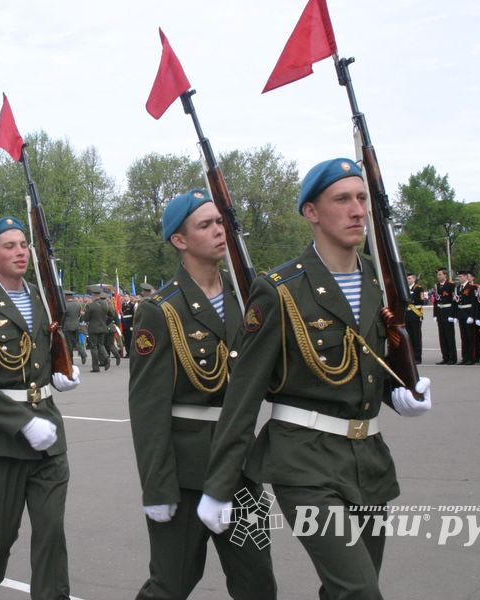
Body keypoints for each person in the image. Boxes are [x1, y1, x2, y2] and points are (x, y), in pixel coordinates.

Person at [198, 159, 432, 600]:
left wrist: (398, 392)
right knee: (360, 592)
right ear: (311, 212)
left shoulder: (376, 281)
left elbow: (368, 361)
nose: (357, 209)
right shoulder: (280, 289)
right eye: (342, 199)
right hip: (304, 460)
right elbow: (243, 395)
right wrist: (220, 484)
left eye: (361, 198)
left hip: (369, 460)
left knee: (345, 589)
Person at [129, 190, 276, 599]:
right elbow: (148, 410)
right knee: (171, 586)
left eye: (220, 222)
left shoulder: (248, 297)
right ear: (180, 240)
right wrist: (157, 488)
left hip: (241, 470)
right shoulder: (161, 311)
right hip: (186, 475)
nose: (218, 230)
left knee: (258, 584)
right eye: (205, 224)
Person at [0, 216, 81, 600]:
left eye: (23, 244)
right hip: (1, 440)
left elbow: (50, 349)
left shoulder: (43, 298)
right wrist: (21, 423)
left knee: (50, 532)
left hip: (48, 432)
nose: (20, 252)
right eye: (9, 246)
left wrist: (64, 372)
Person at [82, 290, 116, 372]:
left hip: (93, 329)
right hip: (103, 328)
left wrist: (84, 314)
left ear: (93, 295)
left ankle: (95, 367)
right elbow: (112, 315)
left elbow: (86, 319)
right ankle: (107, 358)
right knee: (101, 345)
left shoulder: (90, 306)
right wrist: (105, 323)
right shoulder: (105, 304)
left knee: (93, 347)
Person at [454, 269, 480, 365]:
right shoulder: (458, 288)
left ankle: (472, 357)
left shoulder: (472, 287)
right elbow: (457, 303)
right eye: (459, 277)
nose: (459, 278)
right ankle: (465, 357)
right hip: (461, 314)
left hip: (469, 313)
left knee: (470, 337)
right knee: (464, 337)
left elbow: (474, 303)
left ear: (466, 277)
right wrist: (456, 316)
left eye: (461, 277)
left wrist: (472, 316)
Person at [432, 267, 458, 365]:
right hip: (440, 313)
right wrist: (435, 314)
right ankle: (445, 357)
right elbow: (435, 301)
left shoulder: (451, 285)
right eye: (438, 275)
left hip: (448, 312)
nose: (438, 276)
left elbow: (454, 301)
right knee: (442, 337)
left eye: (440, 274)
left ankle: (452, 357)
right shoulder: (437, 286)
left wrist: (453, 315)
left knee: (449, 336)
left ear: (445, 275)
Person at [405, 273, 425, 364]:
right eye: (407, 278)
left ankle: (418, 357)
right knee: (409, 337)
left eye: (409, 278)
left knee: (416, 337)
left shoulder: (419, 288)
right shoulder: (405, 288)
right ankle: (411, 356)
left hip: (415, 313)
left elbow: (422, 300)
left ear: (414, 279)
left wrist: (411, 300)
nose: (408, 280)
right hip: (407, 314)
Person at [63, 291, 87, 365]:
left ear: (66, 297)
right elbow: (79, 315)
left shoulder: (65, 305)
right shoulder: (78, 305)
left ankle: (71, 361)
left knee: (69, 345)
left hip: (67, 327)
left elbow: (63, 317)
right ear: (72, 297)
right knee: (77, 342)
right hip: (76, 326)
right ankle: (83, 354)